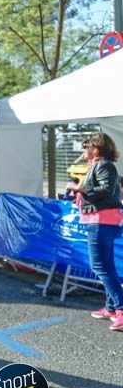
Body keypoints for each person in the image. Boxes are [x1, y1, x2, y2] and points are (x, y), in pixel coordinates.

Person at [78, 133, 123, 331]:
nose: (84, 150)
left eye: (86, 146)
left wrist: (83, 190)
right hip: (104, 221)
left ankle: (120, 309)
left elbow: (104, 189)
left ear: (96, 148)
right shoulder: (100, 165)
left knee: (100, 266)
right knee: (107, 266)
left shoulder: (104, 165)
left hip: (101, 221)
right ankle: (111, 307)